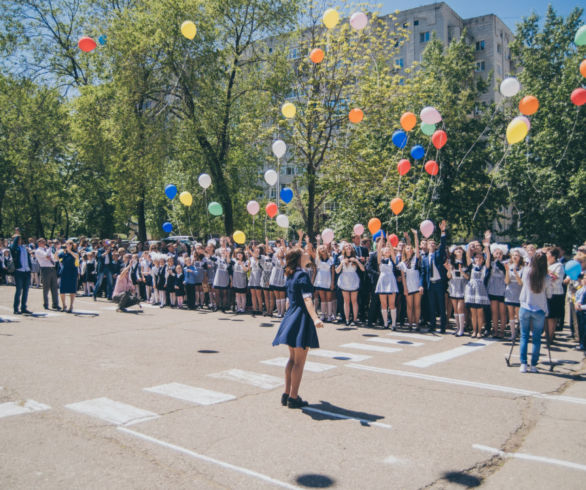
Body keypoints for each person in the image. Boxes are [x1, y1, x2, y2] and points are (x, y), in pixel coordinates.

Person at [272, 247, 324, 409]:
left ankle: (287, 393)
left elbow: (289, 300)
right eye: (304, 253)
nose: (307, 253)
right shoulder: (302, 275)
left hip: (291, 316)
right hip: (301, 318)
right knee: (299, 362)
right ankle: (293, 397)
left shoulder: (291, 274)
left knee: (292, 358)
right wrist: (315, 318)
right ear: (299, 258)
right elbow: (308, 300)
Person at [518, 251, 551, 373]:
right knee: (536, 338)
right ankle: (533, 365)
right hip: (539, 309)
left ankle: (523, 363)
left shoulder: (527, 271)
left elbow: (522, 284)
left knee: (524, 336)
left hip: (526, 306)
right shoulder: (546, 277)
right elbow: (549, 294)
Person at [421, 220, 448, 332]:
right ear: (427, 246)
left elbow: (443, 245)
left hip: (439, 283)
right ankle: (432, 325)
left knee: (441, 306)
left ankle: (442, 327)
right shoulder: (425, 258)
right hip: (430, 285)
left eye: (433, 243)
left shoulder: (438, 254)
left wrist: (443, 232)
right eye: (430, 243)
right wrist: (421, 285)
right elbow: (423, 273)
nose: (432, 244)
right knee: (431, 306)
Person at [464, 233, 491, 338]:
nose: (478, 259)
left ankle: (479, 331)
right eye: (476, 258)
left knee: (480, 312)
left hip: (480, 290)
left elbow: (488, 257)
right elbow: (467, 255)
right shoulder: (472, 266)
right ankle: (474, 331)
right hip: (471, 290)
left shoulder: (485, 267)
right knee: (473, 312)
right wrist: (470, 245)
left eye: (480, 258)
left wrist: (486, 246)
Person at [397, 230, 424, 331]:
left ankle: (417, 324)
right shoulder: (402, 263)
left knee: (417, 305)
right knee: (409, 306)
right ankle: (410, 323)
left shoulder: (416, 259)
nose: (410, 249)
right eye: (407, 248)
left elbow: (417, 246)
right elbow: (403, 277)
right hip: (408, 286)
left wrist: (416, 235)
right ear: (404, 250)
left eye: (410, 248)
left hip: (417, 284)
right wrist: (405, 288)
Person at [336, 243, 365, 326]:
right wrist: (342, 263)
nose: (348, 247)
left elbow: (363, 269)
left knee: (354, 301)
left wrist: (356, 261)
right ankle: (347, 319)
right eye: (346, 246)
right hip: (344, 279)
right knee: (346, 301)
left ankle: (355, 319)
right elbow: (337, 271)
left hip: (353, 279)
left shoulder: (356, 257)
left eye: (350, 246)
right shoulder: (340, 258)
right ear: (344, 249)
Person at [375, 236, 399, 329]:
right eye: (385, 250)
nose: (387, 251)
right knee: (384, 304)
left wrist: (389, 241)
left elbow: (393, 252)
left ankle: (393, 323)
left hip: (391, 281)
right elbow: (378, 248)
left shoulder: (392, 259)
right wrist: (381, 239)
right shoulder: (380, 259)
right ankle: (385, 323)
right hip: (382, 281)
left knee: (392, 304)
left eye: (388, 250)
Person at [10, 229, 33, 315]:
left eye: (19, 238)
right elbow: (14, 245)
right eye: (18, 239)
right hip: (19, 271)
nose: (20, 240)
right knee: (19, 290)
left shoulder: (24, 248)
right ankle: (16, 308)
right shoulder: (14, 248)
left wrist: (29, 268)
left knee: (26, 290)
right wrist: (17, 234)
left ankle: (24, 307)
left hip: (26, 271)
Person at [447, 245, 468, 336]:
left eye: (460, 249)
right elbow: (449, 276)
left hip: (462, 285)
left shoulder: (466, 262)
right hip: (453, 285)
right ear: (453, 253)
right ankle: (458, 327)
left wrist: (462, 272)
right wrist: (448, 270)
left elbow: (468, 277)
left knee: (460, 308)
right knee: (455, 309)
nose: (459, 250)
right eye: (456, 250)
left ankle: (462, 329)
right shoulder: (451, 262)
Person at [545, 247, 565, 343]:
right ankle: (546, 333)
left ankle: (551, 336)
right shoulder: (546, 264)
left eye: (548, 254)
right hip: (546, 293)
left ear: (553, 256)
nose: (546, 256)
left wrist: (548, 272)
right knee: (546, 315)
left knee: (552, 316)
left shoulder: (559, 265)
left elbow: (557, 279)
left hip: (555, 293)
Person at [35, 237, 60, 310]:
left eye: (44, 241)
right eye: (42, 242)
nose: (44, 243)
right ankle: (46, 304)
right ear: (39, 243)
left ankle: (55, 304)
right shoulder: (38, 250)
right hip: (45, 269)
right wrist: (50, 248)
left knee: (54, 288)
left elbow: (54, 259)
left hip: (52, 269)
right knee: (46, 288)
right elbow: (46, 255)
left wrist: (53, 251)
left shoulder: (47, 249)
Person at [505, 249, 524, 340]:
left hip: (519, 291)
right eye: (513, 255)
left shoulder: (523, 268)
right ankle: (513, 334)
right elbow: (506, 281)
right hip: (510, 291)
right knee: (511, 314)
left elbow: (521, 283)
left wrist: (516, 274)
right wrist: (507, 271)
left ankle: (520, 333)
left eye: (517, 255)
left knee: (518, 314)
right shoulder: (509, 266)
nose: (515, 257)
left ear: (520, 257)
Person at [313, 245, 336, 322]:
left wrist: (332, 282)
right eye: (321, 248)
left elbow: (333, 272)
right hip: (319, 280)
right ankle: (323, 315)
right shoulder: (317, 260)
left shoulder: (331, 259)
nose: (322, 249)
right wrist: (312, 282)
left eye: (323, 248)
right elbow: (315, 271)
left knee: (329, 298)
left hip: (328, 280)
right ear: (318, 251)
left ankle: (329, 315)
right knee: (322, 299)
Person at [55, 240, 79, 313]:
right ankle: (64, 305)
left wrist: (70, 251)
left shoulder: (74, 252)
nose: (67, 245)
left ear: (72, 245)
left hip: (72, 272)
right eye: (67, 244)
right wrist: (56, 251)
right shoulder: (63, 253)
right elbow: (56, 259)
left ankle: (71, 306)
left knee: (72, 289)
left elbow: (77, 257)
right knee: (62, 290)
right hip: (64, 272)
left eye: (69, 244)